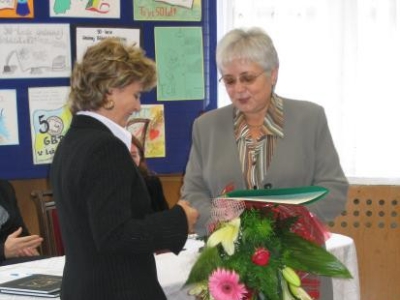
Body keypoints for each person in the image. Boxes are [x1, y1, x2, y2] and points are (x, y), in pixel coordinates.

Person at [181, 27, 348, 300]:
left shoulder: (310, 118)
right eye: (230, 80)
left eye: (247, 78)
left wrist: (281, 223)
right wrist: (228, 221)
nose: (238, 89)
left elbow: (334, 189)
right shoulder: (205, 127)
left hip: (299, 266)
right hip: (229, 272)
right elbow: (192, 194)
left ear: (273, 74)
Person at [50, 38, 198, 300]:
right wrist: (179, 220)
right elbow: (115, 234)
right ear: (109, 91)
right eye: (136, 94)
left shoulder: (71, 142)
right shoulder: (105, 148)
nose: (139, 106)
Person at [0, 179, 43, 266]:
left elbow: (19, 232)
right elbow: (6, 250)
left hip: (10, 265)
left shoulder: (4, 187)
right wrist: (3, 250)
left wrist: (27, 248)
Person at [130, 135, 169, 212]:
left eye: (133, 156)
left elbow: (163, 213)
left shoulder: (151, 182)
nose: (129, 160)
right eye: (125, 155)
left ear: (140, 158)